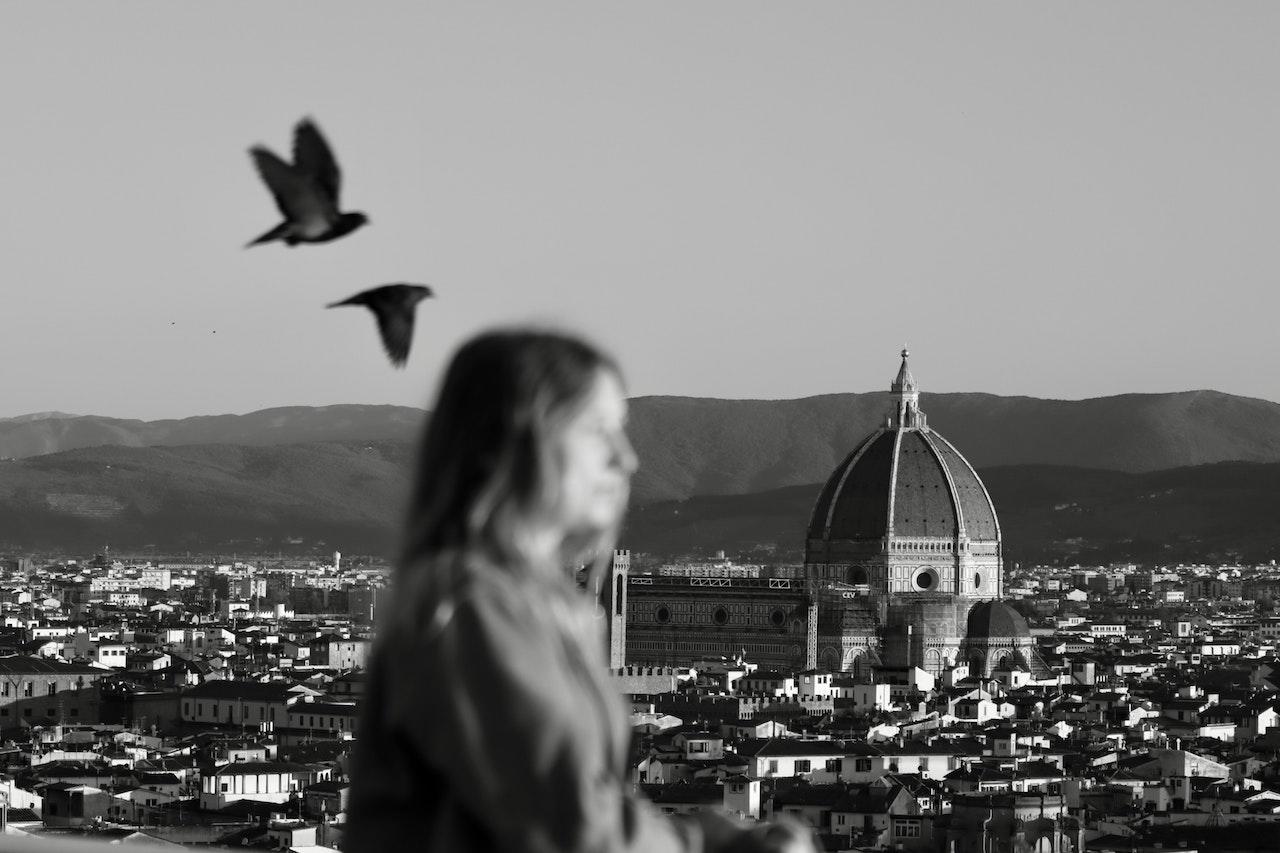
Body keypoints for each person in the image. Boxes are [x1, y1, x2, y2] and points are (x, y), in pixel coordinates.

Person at [346, 328, 817, 852]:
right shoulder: (473, 608)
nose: (627, 459)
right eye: (599, 430)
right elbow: (570, 828)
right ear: (519, 442)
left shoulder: (515, 603)